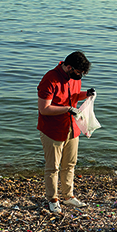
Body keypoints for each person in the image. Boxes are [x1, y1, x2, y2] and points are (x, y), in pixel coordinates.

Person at [37, 51, 94, 215]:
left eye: (82, 74)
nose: (80, 76)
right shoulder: (50, 79)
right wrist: (68, 109)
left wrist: (87, 95)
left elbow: (74, 97)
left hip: (72, 127)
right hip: (52, 130)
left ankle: (68, 196)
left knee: (70, 164)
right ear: (69, 67)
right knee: (53, 166)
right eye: (78, 73)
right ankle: (53, 199)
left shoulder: (75, 78)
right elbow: (44, 109)